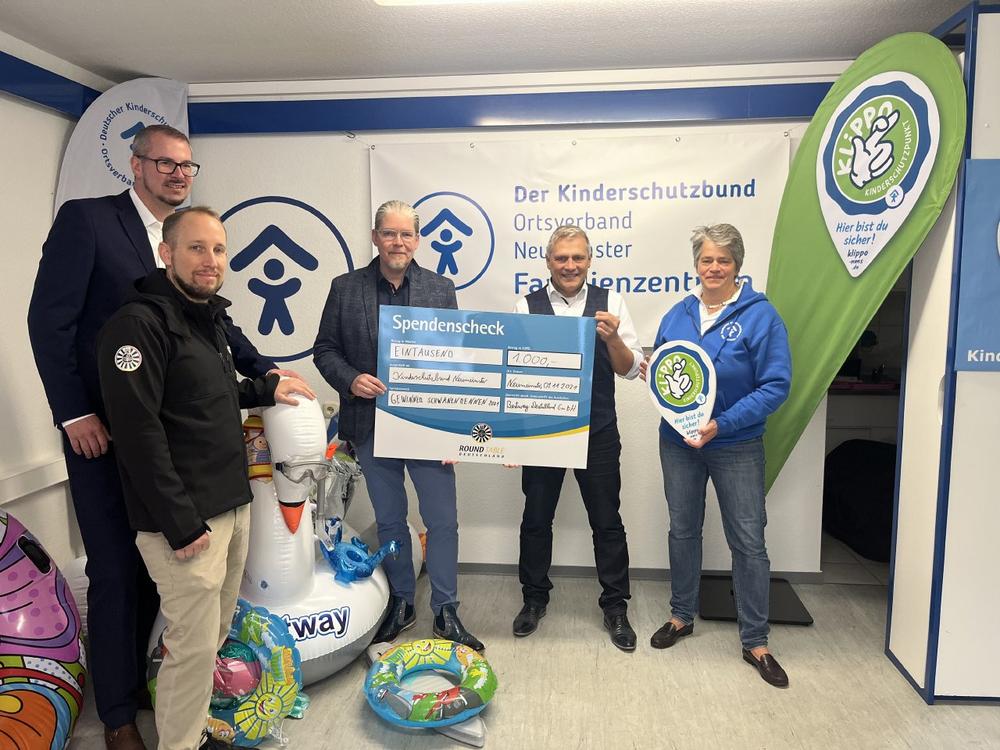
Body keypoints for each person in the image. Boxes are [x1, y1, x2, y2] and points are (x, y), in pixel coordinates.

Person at [26, 125, 278, 750]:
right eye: (164, 162)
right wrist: (73, 414)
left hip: (177, 441)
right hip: (105, 433)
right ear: (135, 165)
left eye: (187, 165)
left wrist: (267, 374)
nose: (177, 173)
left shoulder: (192, 244)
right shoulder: (89, 221)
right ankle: (116, 714)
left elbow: (214, 324)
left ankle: (154, 689)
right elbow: (49, 321)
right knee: (116, 569)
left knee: (160, 574)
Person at [97, 207, 315, 750]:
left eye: (218, 250)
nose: (210, 260)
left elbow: (210, 397)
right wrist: (181, 523)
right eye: (196, 248)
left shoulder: (206, 318)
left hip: (229, 506)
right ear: (166, 253)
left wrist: (267, 388)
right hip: (187, 522)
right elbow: (138, 435)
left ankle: (192, 735)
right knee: (191, 649)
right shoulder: (137, 326)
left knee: (211, 636)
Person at [313, 200, 484, 651]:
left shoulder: (440, 289)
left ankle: (446, 609)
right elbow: (325, 350)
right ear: (375, 237)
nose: (398, 242)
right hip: (371, 425)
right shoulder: (345, 288)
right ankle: (403, 602)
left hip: (427, 428)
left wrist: (453, 432)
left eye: (406, 234)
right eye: (389, 233)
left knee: (442, 521)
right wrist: (352, 379)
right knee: (390, 520)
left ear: (417, 240)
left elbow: (455, 362)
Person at [642, 223, 791, 687]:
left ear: (737, 265)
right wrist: (653, 373)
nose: (714, 267)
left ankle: (756, 640)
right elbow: (666, 370)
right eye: (706, 259)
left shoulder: (762, 317)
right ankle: (681, 616)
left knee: (748, 542)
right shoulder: (678, 314)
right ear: (696, 265)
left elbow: (776, 386)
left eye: (723, 260)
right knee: (683, 530)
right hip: (678, 443)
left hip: (735, 444)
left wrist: (722, 424)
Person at [512, 225, 642, 651]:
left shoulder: (611, 302)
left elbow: (629, 369)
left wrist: (612, 339)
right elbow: (515, 372)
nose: (570, 266)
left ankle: (615, 607)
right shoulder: (525, 306)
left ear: (589, 261)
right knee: (536, 519)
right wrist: (511, 438)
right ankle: (534, 599)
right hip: (543, 433)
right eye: (561, 258)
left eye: (578, 258)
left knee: (607, 521)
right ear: (548, 261)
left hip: (597, 430)